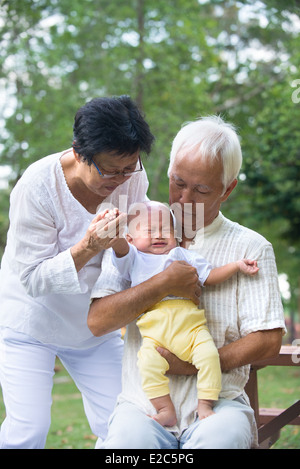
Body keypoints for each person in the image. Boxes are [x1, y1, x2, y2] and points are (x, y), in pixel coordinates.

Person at [88, 116, 286, 449]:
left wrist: (196, 364)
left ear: (228, 189)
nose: (183, 198)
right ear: (168, 170)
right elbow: (97, 322)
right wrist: (163, 283)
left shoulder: (250, 247)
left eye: (202, 189)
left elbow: (267, 340)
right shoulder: (137, 230)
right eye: (177, 182)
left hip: (220, 404)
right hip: (142, 406)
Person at [0, 95, 155, 449]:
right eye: (109, 169)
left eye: (129, 167)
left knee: (129, 420)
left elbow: (129, 261)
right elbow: (32, 279)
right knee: (29, 431)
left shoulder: (131, 179)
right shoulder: (37, 187)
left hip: (91, 325)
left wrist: (118, 246)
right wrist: (87, 247)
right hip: (30, 323)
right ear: (79, 151)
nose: (121, 179)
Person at [108, 200, 259, 427]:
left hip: (191, 330)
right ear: (131, 239)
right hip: (154, 335)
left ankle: (205, 403)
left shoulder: (181, 254)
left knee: (210, 357)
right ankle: (165, 408)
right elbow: (120, 249)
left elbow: (209, 276)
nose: (159, 235)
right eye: (149, 231)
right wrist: (114, 234)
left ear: (176, 235)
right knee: (147, 364)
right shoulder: (133, 259)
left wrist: (236, 266)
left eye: (165, 230)